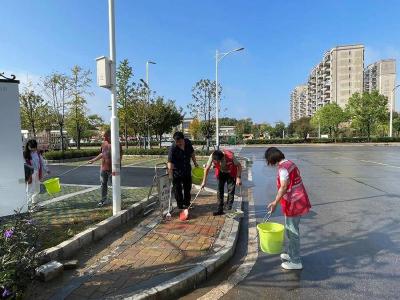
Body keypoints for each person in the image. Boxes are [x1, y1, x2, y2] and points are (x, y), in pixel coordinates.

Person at [265, 147, 311, 270]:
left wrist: (275, 202)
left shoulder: (283, 169)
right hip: (297, 199)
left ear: (272, 158)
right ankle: (291, 254)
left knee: (293, 232)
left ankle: (296, 261)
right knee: (290, 229)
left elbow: (284, 187)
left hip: (294, 202)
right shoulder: (290, 163)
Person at [201, 149, 242, 216]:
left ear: (222, 157)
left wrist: (238, 178)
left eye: (218, 161)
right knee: (219, 191)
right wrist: (203, 182)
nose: (216, 162)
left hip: (230, 173)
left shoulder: (230, 156)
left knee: (231, 191)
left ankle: (228, 210)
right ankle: (220, 210)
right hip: (220, 173)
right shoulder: (212, 156)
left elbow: (239, 166)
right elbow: (207, 169)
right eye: (215, 161)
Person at [88, 129, 123, 207]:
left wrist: (117, 168)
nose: (104, 138)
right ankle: (104, 200)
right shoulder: (103, 144)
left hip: (113, 169)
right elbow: (102, 154)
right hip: (103, 168)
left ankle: (116, 200)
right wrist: (93, 160)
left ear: (111, 136)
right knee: (103, 184)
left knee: (115, 184)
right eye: (104, 136)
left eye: (106, 136)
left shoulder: (117, 144)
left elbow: (120, 157)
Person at [167, 132, 198, 211]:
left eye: (179, 141)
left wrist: (195, 163)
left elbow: (192, 153)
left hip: (187, 169)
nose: (178, 143)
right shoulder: (172, 148)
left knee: (187, 188)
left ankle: (187, 204)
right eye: (176, 142)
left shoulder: (188, 142)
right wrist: (170, 175)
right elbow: (170, 162)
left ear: (183, 139)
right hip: (176, 172)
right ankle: (180, 206)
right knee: (177, 190)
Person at [24, 139, 49, 211]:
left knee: (37, 189)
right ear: (28, 146)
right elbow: (24, 165)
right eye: (31, 147)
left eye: (34, 147)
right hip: (29, 174)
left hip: (37, 172)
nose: (33, 149)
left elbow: (42, 162)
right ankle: (27, 206)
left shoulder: (37, 153)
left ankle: (34, 203)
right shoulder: (25, 154)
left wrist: (47, 169)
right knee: (30, 190)